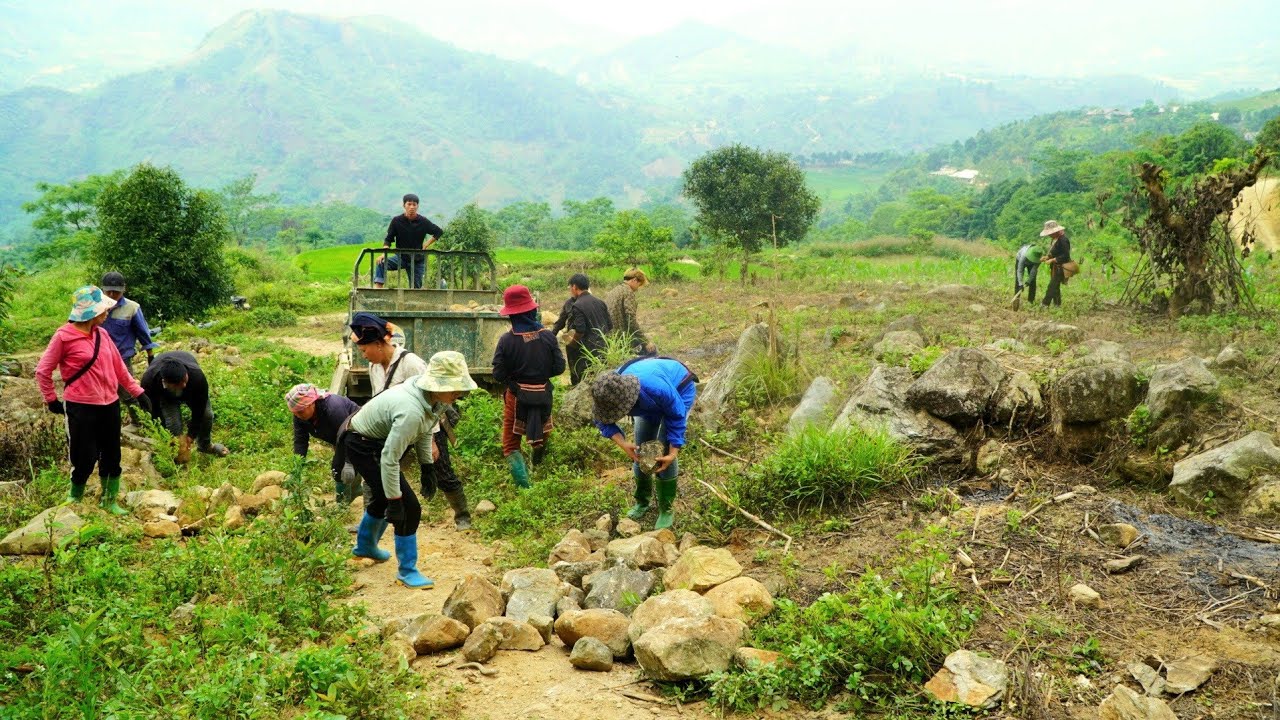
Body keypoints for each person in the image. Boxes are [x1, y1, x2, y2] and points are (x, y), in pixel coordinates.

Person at [344, 351, 477, 588]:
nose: (458, 393)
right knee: (409, 508)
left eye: (460, 387)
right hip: (363, 444)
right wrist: (395, 500)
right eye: (454, 388)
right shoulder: (411, 410)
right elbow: (389, 458)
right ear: (437, 384)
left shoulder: (431, 400)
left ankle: (364, 546)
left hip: (373, 442)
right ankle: (407, 571)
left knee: (387, 498)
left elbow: (426, 429)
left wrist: (427, 466)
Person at [36, 285, 151, 513]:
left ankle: (109, 501)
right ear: (90, 312)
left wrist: (138, 393)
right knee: (84, 454)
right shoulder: (64, 337)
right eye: (103, 309)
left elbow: (119, 368)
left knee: (112, 452)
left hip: (109, 403)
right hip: (81, 405)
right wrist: (51, 399)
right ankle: (75, 497)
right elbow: (42, 370)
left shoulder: (102, 334)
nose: (107, 312)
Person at [590, 356, 698, 530]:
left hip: (679, 390)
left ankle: (666, 508)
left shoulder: (656, 388)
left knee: (660, 454)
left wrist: (673, 452)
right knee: (642, 454)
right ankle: (642, 501)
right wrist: (623, 444)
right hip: (649, 404)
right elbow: (601, 420)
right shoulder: (607, 392)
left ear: (628, 401)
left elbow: (676, 415)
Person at [492, 285, 566, 488]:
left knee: (510, 444)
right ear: (531, 311)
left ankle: (526, 489)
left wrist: (516, 379)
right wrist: (539, 377)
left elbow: (498, 374)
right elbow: (560, 367)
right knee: (543, 432)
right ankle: (537, 464)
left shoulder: (506, 340)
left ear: (512, 315)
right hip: (543, 394)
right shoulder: (548, 336)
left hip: (516, 397)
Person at [140, 351, 229, 460]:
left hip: (192, 391)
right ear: (165, 382)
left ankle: (205, 445)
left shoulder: (196, 376)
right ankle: (176, 455)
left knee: (207, 415)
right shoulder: (150, 382)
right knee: (173, 425)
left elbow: (199, 409)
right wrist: (165, 436)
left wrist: (191, 435)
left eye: (184, 380)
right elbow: (154, 412)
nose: (183, 385)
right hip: (167, 396)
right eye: (178, 383)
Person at [287, 383, 361, 502]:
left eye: (300, 412)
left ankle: (343, 504)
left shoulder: (333, 408)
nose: (297, 416)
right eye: (294, 413)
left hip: (358, 433)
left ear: (311, 403)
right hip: (339, 437)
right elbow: (300, 441)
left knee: (339, 468)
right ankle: (355, 493)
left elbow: (348, 435)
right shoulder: (299, 415)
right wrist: (297, 469)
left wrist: (348, 462)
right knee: (341, 467)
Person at [99, 271, 159, 420]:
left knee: (127, 392)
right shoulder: (95, 307)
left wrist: (150, 355)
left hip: (122, 358)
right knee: (101, 393)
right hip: (98, 358)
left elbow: (143, 332)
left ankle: (141, 421)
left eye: (116, 292)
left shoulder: (132, 308)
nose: (112, 295)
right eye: (108, 292)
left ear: (123, 289)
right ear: (102, 290)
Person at [373, 193, 444, 289]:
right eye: (409, 204)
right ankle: (378, 291)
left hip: (417, 260)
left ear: (417, 206)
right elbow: (388, 239)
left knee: (416, 289)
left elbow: (438, 232)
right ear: (404, 205)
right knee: (381, 263)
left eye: (414, 205)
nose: (412, 207)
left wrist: (426, 244)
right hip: (401, 257)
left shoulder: (423, 221)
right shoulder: (397, 221)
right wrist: (383, 254)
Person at [556, 273, 611, 386]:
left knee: (581, 380)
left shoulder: (578, 305)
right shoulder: (600, 302)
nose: (570, 290)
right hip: (603, 348)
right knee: (600, 380)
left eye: (570, 287)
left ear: (574, 287)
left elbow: (580, 330)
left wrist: (573, 343)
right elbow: (610, 326)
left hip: (585, 351)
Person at [604, 269, 655, 355]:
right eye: (639, 285)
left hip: (608, 335)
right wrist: (645, 341)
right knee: (652, 349)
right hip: (620, 337)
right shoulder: (628, 292)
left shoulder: (614, 290)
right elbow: (631, 321)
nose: (638, 289)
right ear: (634, 280)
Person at [1039, 220, 1072, 307]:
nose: (1049, 235)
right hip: (1055, 267)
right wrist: (1047, 257)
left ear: (1056, 231)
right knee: (1056, 286)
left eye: (1050, 233)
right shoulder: (1055, 239)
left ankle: (1045, 304)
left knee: (1052, 286)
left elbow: (1065, 255)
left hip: (1061, 267)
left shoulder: (1063, 240)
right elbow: (1056, 252)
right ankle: (1057, 305)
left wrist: (1053, 260)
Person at [1013, 243, 1044, 307]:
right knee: (1018, 282)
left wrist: (1029, 281)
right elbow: (1020, 270)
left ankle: (1031, 301)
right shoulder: (1024, 255)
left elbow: (1034, 271)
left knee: (1033, 281)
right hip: (1020, 259)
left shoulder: (1039, 257)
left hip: (1032, 264)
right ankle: (1016, 301)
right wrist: (1021, 283)